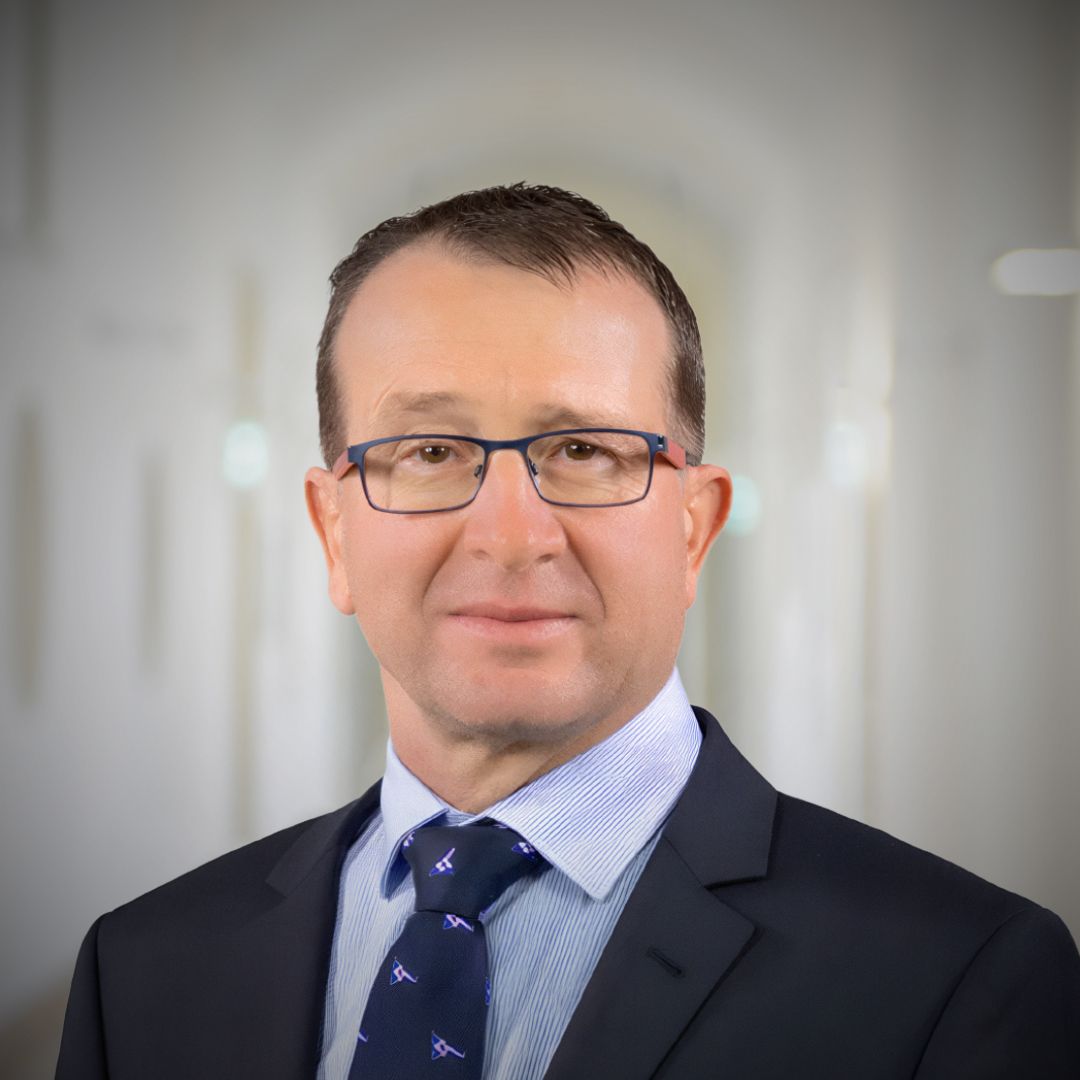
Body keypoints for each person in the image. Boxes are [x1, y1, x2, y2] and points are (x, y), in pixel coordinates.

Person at [57, 183, 1080, 1079]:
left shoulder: (957, 976)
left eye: (585, 450)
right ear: (334, 532)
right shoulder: (141, 971)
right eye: (429, 451)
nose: (511, 535)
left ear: (693, 529)